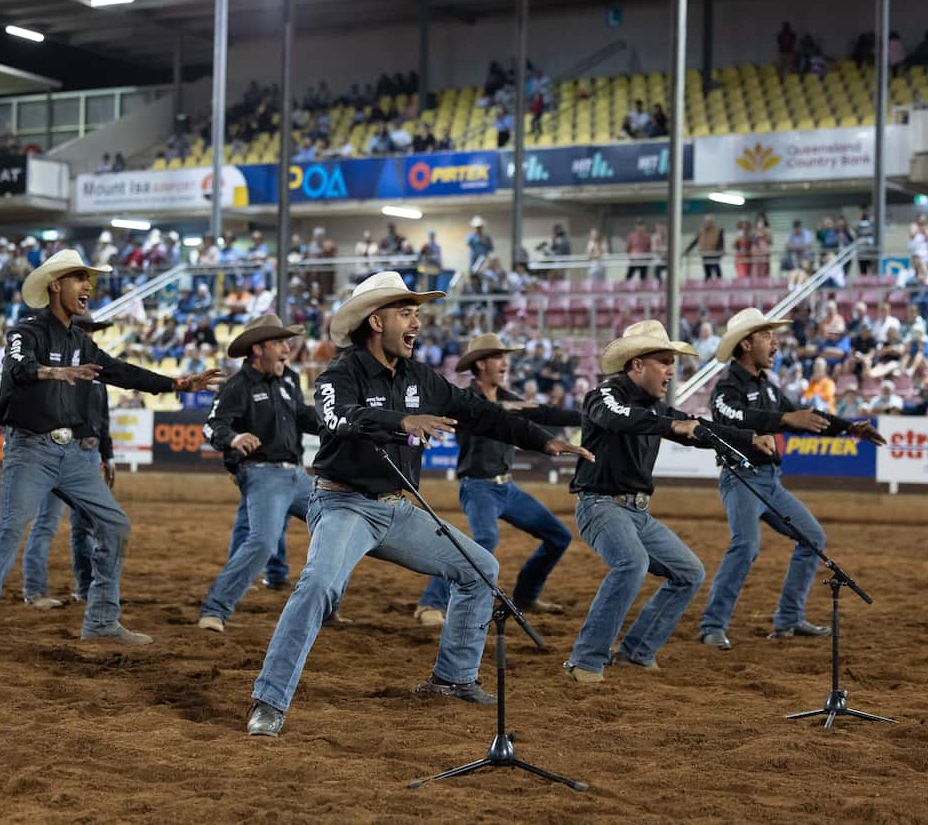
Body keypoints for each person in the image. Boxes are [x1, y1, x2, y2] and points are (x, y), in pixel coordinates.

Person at [245, 272, 592, 736]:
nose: (417, 322)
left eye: (416, 313)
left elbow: (481, 413)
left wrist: (543, 442)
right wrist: (401, 420)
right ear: (375, 321)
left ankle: (453, 678)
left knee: (480, 569)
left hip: (395, 506)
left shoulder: (421, 377)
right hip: (343, 504)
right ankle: (269, 699)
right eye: (406, 312)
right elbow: (336, 418)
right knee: (318, 586)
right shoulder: (338, 375)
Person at [0, 250, 224, 655]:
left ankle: (100, 620)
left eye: (87, 278)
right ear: (55, 285)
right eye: (79, 278)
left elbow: (123, 372)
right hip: (31, 449)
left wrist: (180, 384)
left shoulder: (81, 341)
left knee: (115, 525)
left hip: (74, 454)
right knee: (11, 529)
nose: (87, 286)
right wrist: (54, 372)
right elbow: (16, 370)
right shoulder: (24, 333)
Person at [563, 321, 767, 683]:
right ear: (637, 365)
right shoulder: (604, 393)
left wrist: (748, 437)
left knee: (689, 573)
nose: (672, 370)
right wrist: (671, 426)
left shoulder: (656, 408)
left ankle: (638, 652)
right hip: (600, 504)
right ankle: (586, 660)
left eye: (673, 362)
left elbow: (698, 427)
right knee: (632, 563)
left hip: (636, 511)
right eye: (664, 361)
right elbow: (618, 418)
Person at [698, 309, 886, 651]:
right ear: (745, 345)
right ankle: (712, 624)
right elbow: (733, 416)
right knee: (747, 545)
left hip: (767, 479)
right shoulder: (727, 388)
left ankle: (788, 619)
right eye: (767, 337)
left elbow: (803, 417)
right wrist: (785, 417)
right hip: (742, 478)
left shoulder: (767, 389)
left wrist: (848, 427)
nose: (775, 343)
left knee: (811, 537)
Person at [413, 334, 580, 627]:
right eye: (498, 358)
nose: (504, 364)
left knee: (559, 536)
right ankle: (430, 602)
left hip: (507, 488)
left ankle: (526, 597)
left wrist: (590, 417)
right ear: (480, 364)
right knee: (485, 540)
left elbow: (545, 413)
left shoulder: (509, 400)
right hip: (478, 487)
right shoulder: (465, 401)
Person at [197, 315, 322, 633]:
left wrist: (334, 426)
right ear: (258, 349)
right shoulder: (237, 387)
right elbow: (212, 426)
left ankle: (327, 605)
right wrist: (234, 439)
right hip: (263, 474)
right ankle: (215, 609)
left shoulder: (290, 380)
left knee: (341, 522)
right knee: (263, 541)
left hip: (297, 474)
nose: (287, 348)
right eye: (279, 343)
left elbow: (303, 415)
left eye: (286, 342)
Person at [19, 317, 115, 610]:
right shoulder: (60, 373)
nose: (89, 337)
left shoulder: (96, 378)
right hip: (60, 450)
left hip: (87, 453)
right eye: (84, 332)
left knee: (83, 526)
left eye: (91, 333)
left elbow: (102, 421)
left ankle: (84, 588)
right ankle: (35, 590)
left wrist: (107, 455)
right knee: (48, 523)